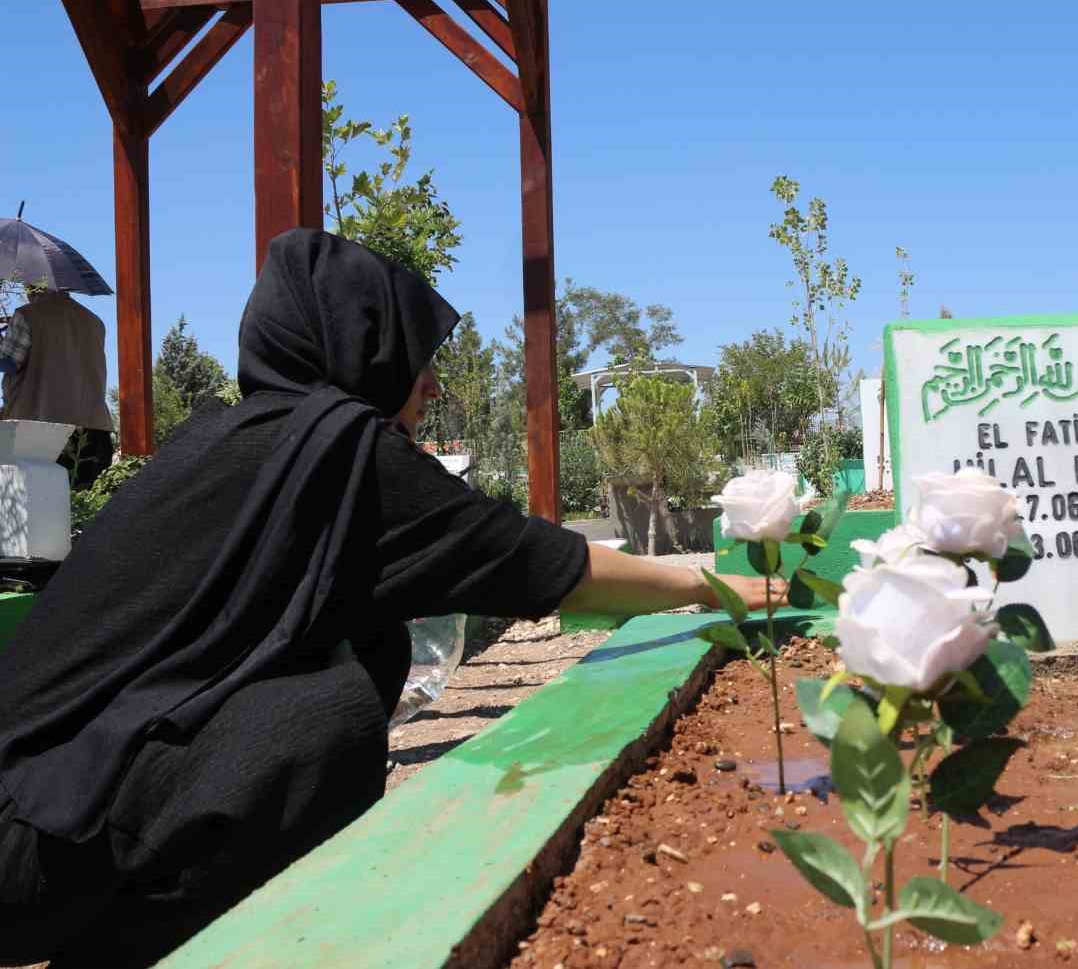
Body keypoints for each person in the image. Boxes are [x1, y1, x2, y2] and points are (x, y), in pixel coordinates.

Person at [0, 230, 776, 968]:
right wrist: (719, 587)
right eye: (417, 356)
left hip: (34, 821)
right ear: (362, 346)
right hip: (22, 846)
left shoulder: (226, 442)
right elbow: (546, 564)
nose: (432, 383)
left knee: (360, 656)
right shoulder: (340, 453)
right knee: (320, 726)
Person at [0, 285, 116, 488]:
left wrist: (7, 337)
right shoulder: (93, 321)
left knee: (38, 507)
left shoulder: (27, 315)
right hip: (95, 429)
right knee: (86, 509)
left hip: (42, 429)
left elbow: (8, 362)